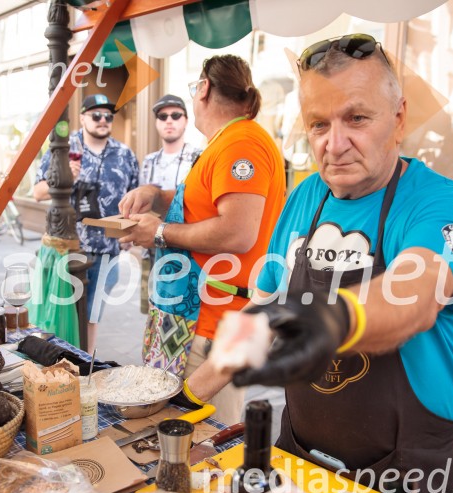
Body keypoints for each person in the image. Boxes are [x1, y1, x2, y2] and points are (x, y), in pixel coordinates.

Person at [181, 35, 453, 493]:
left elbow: (415, 293)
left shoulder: (439, 205)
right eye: (319, 124)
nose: (334, 143)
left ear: (400, 118)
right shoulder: (305, 197)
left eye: (357, 119)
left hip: (411, 478)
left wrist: (327, 320)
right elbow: (258, 316)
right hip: (304, 458)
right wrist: (187, 398)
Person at [119, 55, 286, 425]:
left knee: (200, 442)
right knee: (169, 435)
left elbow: (239, 232)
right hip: (190, 317)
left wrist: (158, 231)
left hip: (210, 325)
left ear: (204, 89)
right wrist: (156, 194)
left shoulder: (241, 143)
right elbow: (203, 204)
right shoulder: (227, 141)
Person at [33, 94, 139, 353]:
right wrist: (64, 176)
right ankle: (56, 362)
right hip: (68, 249)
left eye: (108, 116)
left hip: (107, 251)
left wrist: (130, 233)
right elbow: (37, 192)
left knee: (92, 316)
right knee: (60, 313)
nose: (103, 120)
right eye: (96, 115)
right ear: (82, 118)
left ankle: (83, 366)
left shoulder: (124, 154)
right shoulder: (63, 148)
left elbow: (135, 200)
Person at [138, 94, 203, 374]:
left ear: (186, 121)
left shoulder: (197, 156)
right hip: (150, 250)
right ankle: (159, 365)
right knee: (153, 311)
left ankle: (172, 368)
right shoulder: (149, 161)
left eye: (176, 115)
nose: (169, 121)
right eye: (163, 116)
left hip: (184, 251)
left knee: (178, 314)